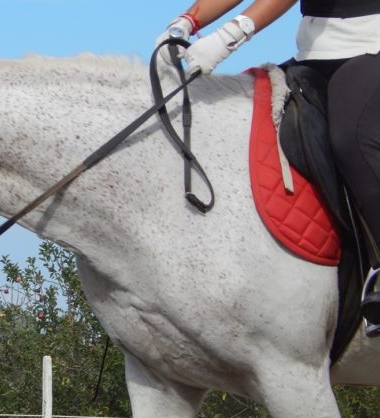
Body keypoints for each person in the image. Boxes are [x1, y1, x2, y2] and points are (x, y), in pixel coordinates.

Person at [156, 0, 380, 336]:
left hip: (372, 43)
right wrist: (186, 22)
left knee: (352, 139)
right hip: (314, 52)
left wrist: (231, 34)